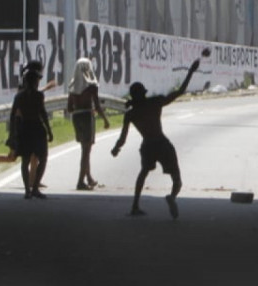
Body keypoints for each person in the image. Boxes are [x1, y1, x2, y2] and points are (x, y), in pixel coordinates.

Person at [110, 58, 201, 218]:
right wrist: (191, 72)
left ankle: (135, 205)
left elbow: (123, 138)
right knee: (176, 178)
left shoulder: (131, 114)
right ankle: (172, 197)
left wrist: (116, 148)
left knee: (143, 173)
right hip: (161, 143)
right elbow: (179, 91)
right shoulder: (154, 102)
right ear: (144, 94)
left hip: (147, 146)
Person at [0, 60, 55, 179]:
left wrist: (45, 88)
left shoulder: (26, 82)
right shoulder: (26, 85)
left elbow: (32, 93)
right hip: (21, 124)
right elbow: (29, 96)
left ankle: (32, 179)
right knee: (16, 156)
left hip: (21, 124)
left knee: (26, 155)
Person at [67, 57, 110, 190]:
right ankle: (80, 181)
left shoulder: (73, 85)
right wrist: (105, 119)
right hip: (86, 116)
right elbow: (97, 105)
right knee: (86, 151)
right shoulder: (92, 86)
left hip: (76, 117)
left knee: (84, 149)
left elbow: (69, 108)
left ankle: (89, 177)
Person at [12, 68, 53, 199]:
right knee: (43, 157)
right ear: (34, 82)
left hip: (24, 128)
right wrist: (49, 130)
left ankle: (27, 190)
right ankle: (34, 188)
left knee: (25, 160)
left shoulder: (19, 96)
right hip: (36, 127)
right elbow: (43, 113)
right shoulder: (38, 95)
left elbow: (13, 115)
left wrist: (13, 132)